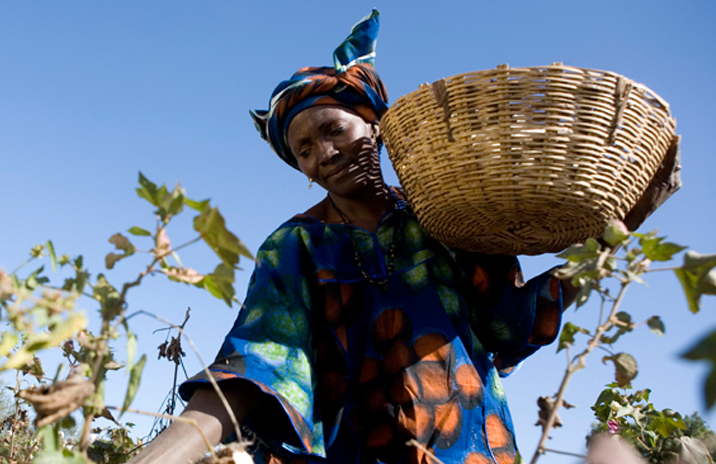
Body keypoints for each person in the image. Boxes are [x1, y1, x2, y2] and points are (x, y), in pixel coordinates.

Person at [129, 10, 680, 464]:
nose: (324, 153)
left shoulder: (448, 216)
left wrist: (621, 229)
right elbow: (257, 363)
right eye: (303, 149)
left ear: (374, 124)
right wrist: (156, 456)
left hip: (472, 448)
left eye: (333, 129)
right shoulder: (296, 245)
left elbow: (511, 322)